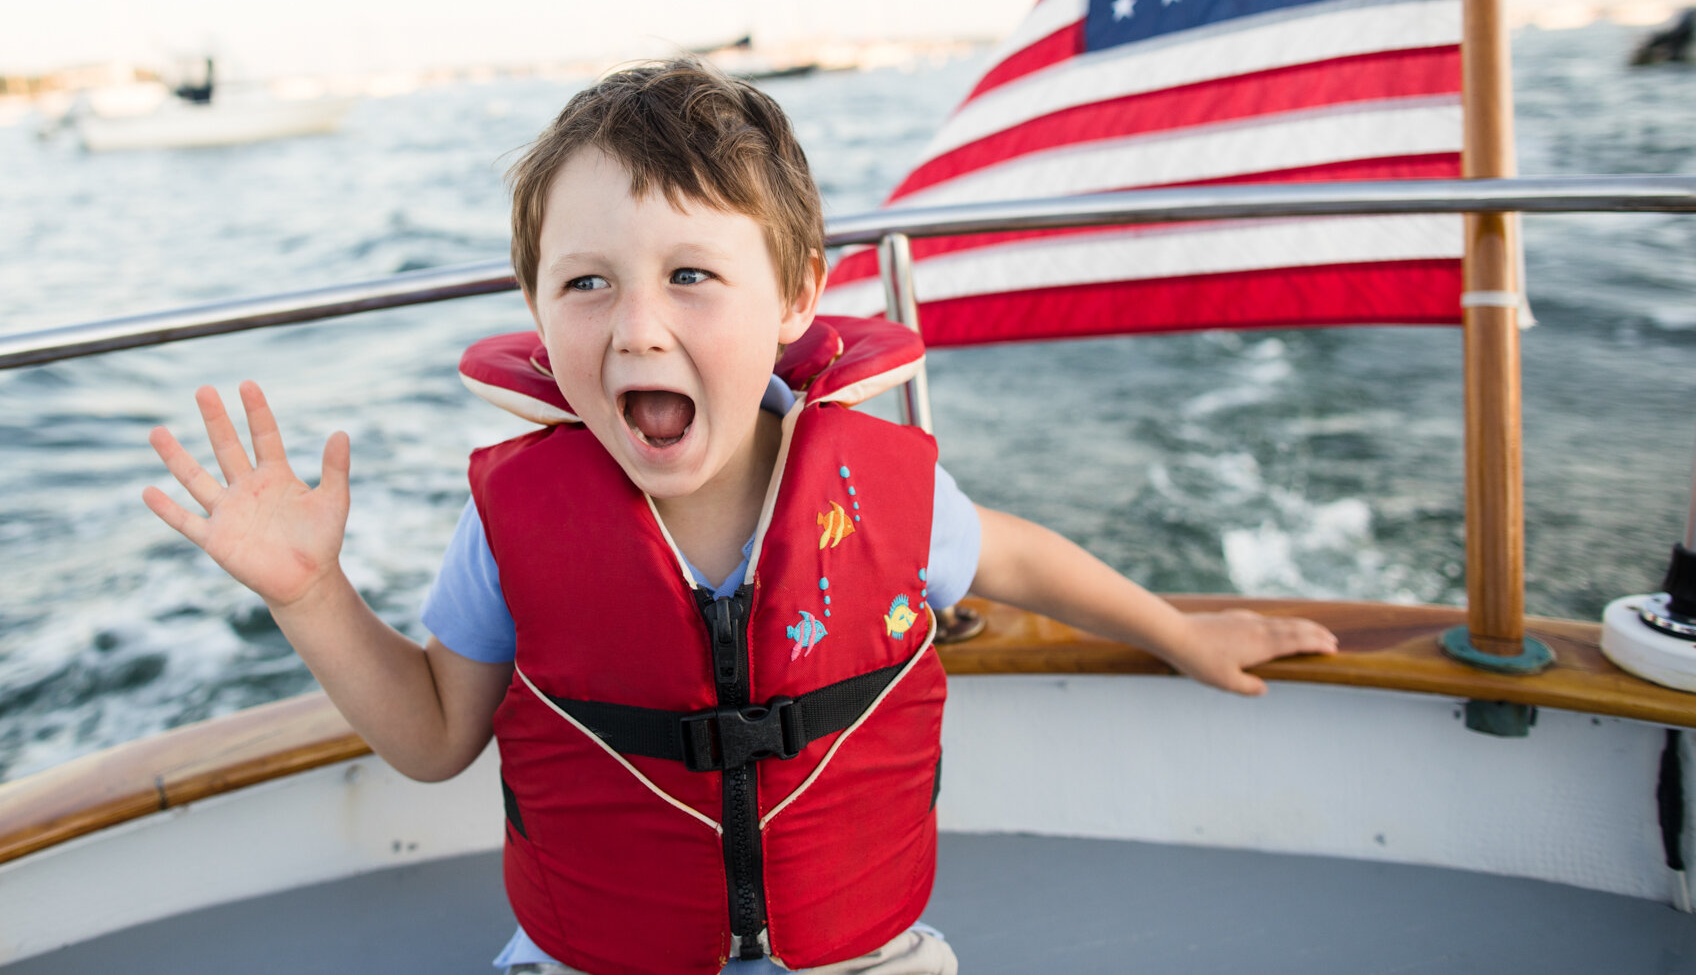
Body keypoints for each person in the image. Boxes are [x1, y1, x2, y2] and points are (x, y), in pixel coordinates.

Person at [142, 60, 1338, 975]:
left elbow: (1013, 554)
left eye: (692, 275)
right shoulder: (515, 524)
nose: (637, 328)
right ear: (535, 310)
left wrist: (1182, 632)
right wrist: (310, 593)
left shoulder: (877, 495)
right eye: (586, 282)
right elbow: (432, 738)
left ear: (796, 295)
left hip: (856, 953)